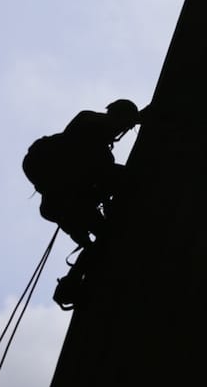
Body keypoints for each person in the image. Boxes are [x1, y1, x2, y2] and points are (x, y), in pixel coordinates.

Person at [22, 99, 144, 307]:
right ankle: (73, 283)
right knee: (108, 232)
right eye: (124, 126)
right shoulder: (89, 124)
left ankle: (72, 283)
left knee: (103, 239)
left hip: (62, 203)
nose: (120, 132)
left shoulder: (93, 141)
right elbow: (103, 169)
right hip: (67, 202)